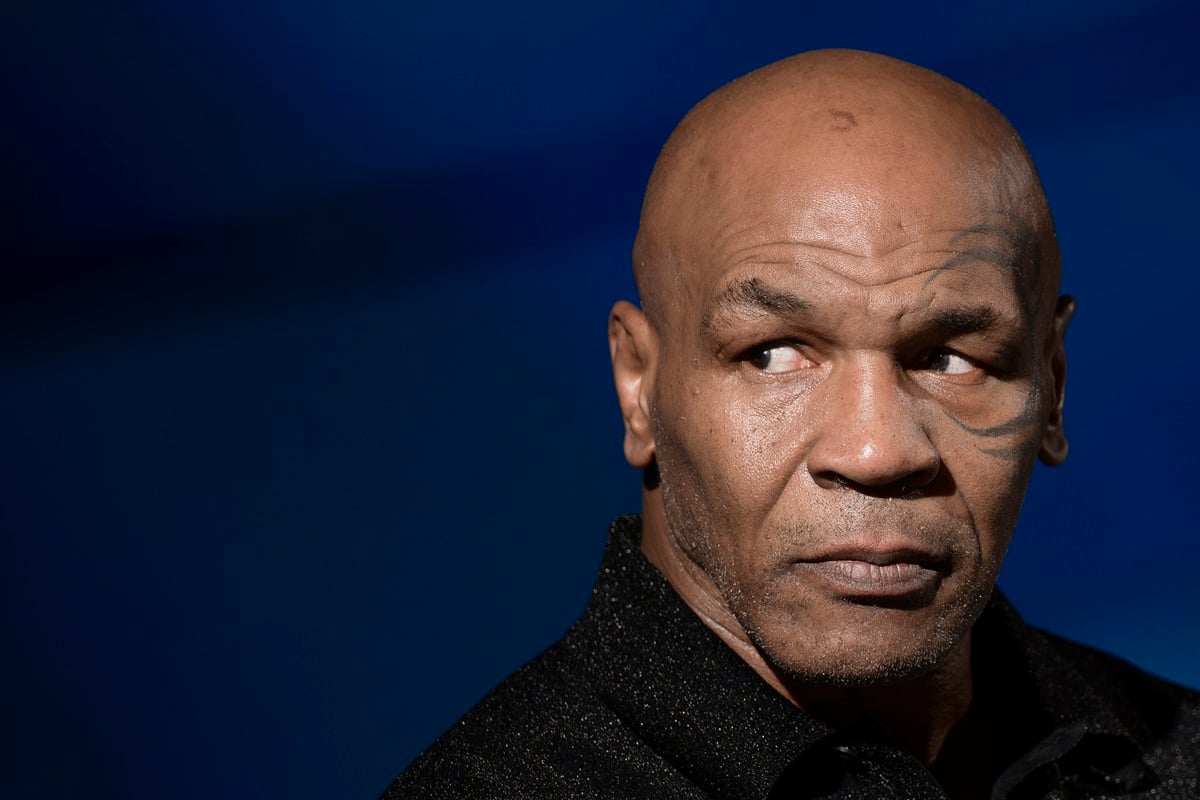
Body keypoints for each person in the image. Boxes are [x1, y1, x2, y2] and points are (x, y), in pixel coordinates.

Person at [382, 49, 1199, 799]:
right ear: (640, 387)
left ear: (1051, 386)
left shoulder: (1174, 750)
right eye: (773, 354)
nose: (877, 452)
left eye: (950, 357)